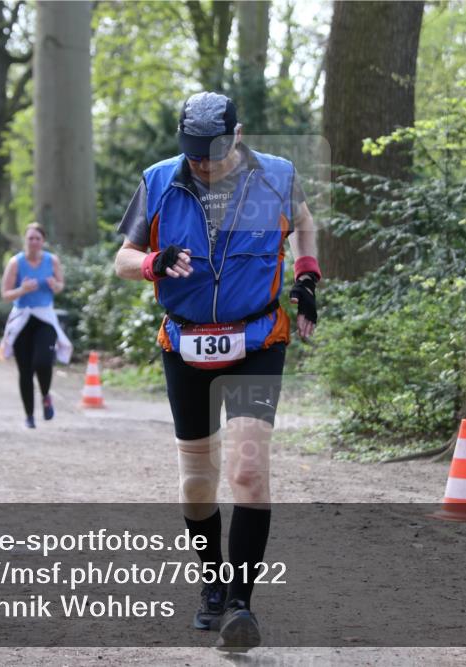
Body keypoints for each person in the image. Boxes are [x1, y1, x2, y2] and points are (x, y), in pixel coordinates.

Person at [114, 92, 320, 652]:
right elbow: (123, 258)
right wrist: (153, 262)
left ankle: (240, 604)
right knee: (198, 481)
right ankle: (212, 582)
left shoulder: (277, 175)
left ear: (238, 133)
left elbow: (303, 222)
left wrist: (306, 278)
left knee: (249, 471)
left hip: (257, 337)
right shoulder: (159, 180)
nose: (203, 163)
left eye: (213, 151)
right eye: (194, 153)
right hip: (186, 344)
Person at [0, 223, 73, 429]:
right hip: (22, 318)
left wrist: (54, 286)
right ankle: (29, 415)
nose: (33, 242)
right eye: (30, 238)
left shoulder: (52, 261)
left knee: (42, 361)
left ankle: (46, 394)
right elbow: (5, 295)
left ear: (43, 241)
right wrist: (21, 289)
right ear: (25, 241)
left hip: (44, 318)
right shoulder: (16, 263)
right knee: (25, 370)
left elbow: (60, 286)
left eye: (37, 239)